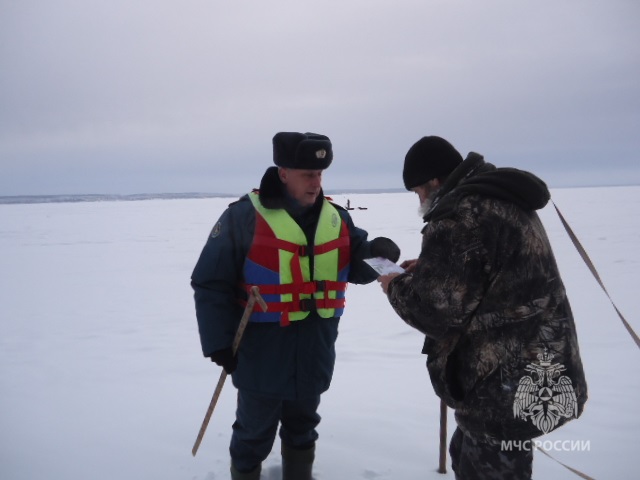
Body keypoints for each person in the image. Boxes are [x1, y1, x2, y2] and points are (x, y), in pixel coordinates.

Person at [191, 131, 400, 480]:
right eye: (307, 174)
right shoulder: (243, 217)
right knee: (253, 433)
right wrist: (219, 343)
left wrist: (380, 255)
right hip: (261, 353)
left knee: (303, 427)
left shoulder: (337, 219)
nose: (315, 183)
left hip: (315, 349)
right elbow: (210, 283)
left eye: (319, 175)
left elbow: (358, 265)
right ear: (283, 172)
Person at [377, 136, 587, 480]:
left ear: (434, 181)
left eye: (418, 191)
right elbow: (490, 274)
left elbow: (435, 312)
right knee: (469, 454)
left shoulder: (459, 216)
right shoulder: (502, 199)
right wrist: (431, 270)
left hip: (499, 385)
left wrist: (394, 284)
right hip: (540, 369)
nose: (419, 200)